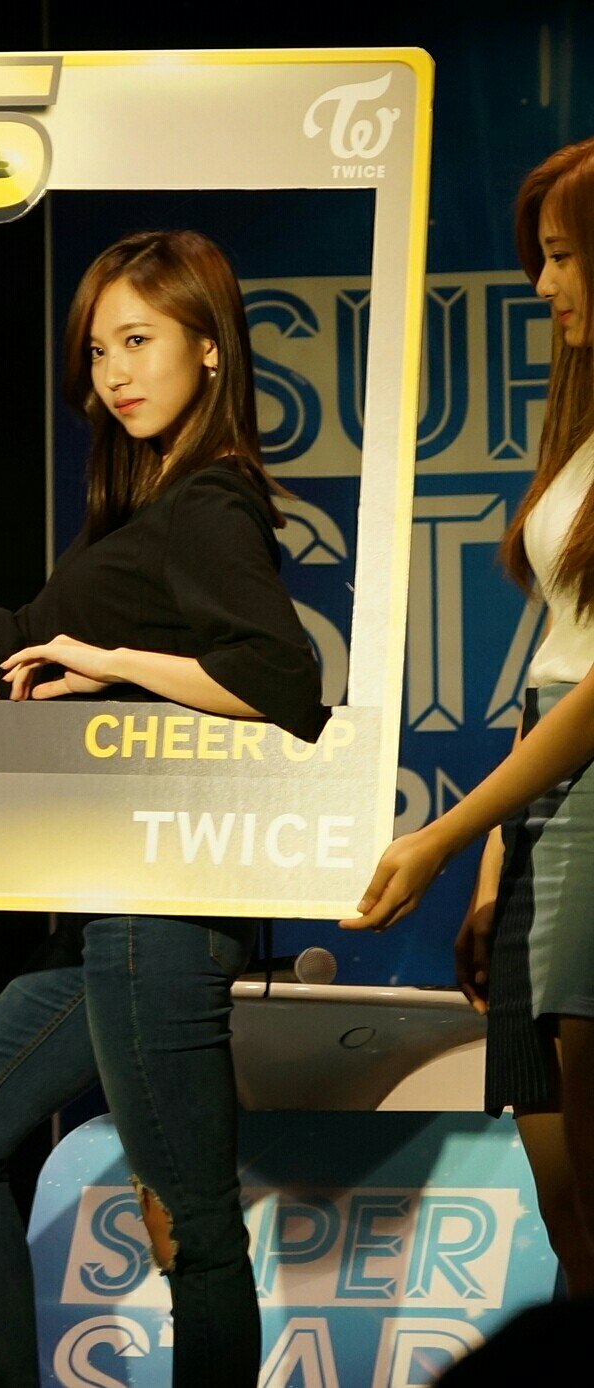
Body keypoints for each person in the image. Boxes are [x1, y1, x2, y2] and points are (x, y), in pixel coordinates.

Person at [0, 227, 329, 1388]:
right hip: (105, 913)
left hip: (164, 909)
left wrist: (112, 658)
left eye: (138, 340)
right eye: (99, 349)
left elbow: (284, 681)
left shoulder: (208, 498)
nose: (114, 372)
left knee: (189, 1220)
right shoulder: (134, 511)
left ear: (209, 348)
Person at [339, 137, 594, 1300]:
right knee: (562, 1197)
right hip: (542, 809)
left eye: (563, 255)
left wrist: (444, 835)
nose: (541, 283)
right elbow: (553, 662)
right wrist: (495, 857)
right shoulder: (576, 427)